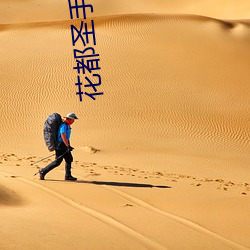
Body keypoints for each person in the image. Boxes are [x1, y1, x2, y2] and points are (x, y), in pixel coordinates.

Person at [39, 112, 78, 181]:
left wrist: (68, 145)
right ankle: (43, 172)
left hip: (64, 145)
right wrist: (67, 146)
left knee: (69, 159)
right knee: (57, 162)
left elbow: (66, 137)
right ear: (70, 119)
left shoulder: (67, 125)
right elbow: (63, 135)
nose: (74, 121)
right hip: (61, 145)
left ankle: (68, 175)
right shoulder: (64, 126)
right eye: (73, 119)